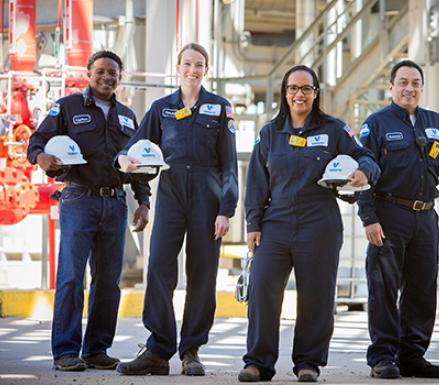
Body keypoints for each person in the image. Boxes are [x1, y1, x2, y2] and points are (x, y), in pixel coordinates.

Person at [238, 65, 380, 383]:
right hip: (276, 222)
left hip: (320, 222)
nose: (299, 94)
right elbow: (256, 184)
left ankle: (308, 362)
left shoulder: (334, 130)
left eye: (306, 89)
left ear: (316, 94)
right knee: (262, 288)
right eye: (293, 88)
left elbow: (366, 156)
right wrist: (253, 224)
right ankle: (258, 362)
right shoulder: (270, 133)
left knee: (316, 294)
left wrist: (363, 173)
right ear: (284, 93)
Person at [358, 59, 439, 379]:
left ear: (421, 87)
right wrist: (369, 218)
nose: (409, 88)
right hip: (388, 213)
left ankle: (413, 355)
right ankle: (383, 356)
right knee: (385, 287)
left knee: (422, 288)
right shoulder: (375, 124)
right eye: (403, 82)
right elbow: (361, 173)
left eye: (415, 82)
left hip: (425, 216)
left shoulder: (436, 122)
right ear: (391, 87)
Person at [115, 43, 238, 376]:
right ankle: (158, 348)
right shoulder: (161, 108)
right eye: (187, 63)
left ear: (206, 70)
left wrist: (226, 208)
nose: (193, 69)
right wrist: (124, 158)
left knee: (202, 274)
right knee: (158, 268)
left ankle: (191, 350)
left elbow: (229, 163)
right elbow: (137, 145)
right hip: (170, 196)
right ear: (179, 68)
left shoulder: (220, 107)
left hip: (207, 198)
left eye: (199, 64)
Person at [26, 50, 151, 371]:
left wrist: (144, 201)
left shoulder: (127, 116)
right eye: (101, 71)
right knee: (70, 278)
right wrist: (41, 159)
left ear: (120, 78)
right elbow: (36, 141)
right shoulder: (68, 107)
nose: (107, 77)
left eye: (113, 73)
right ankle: (66, 351)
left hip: (115, 203)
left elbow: (137, 162)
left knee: (108, 281)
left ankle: (96, 349)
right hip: (79, 200)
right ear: (89, 73)